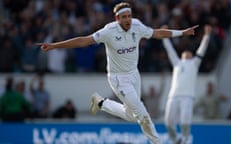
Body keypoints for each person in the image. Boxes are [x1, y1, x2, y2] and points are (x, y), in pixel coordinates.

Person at [37, 2, 198, 144]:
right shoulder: (109, 31)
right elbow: (84, 40)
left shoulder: (136, 26)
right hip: (118, 78)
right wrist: (54, 46)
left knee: (131, 115)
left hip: (134, 75)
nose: (128, 19)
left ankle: (100, 102)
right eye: (124, 17)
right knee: (142, 114)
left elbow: (157, 33)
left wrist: (182, 32)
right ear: (117, 18)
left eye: (129, 16)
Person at [162, 24, 212, 144]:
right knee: (168, 123)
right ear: (181, 56)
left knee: (185, 123)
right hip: (173, 96)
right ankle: (175, 140)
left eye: (189, 52)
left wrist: (207, 35)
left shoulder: (195, 63)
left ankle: (185, 140)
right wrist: (164, 34)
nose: (187, 53)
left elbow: (202, 49)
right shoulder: (177, 63)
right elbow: (170, 50)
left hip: (187, 96)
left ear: (192, 55)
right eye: (184, 52)